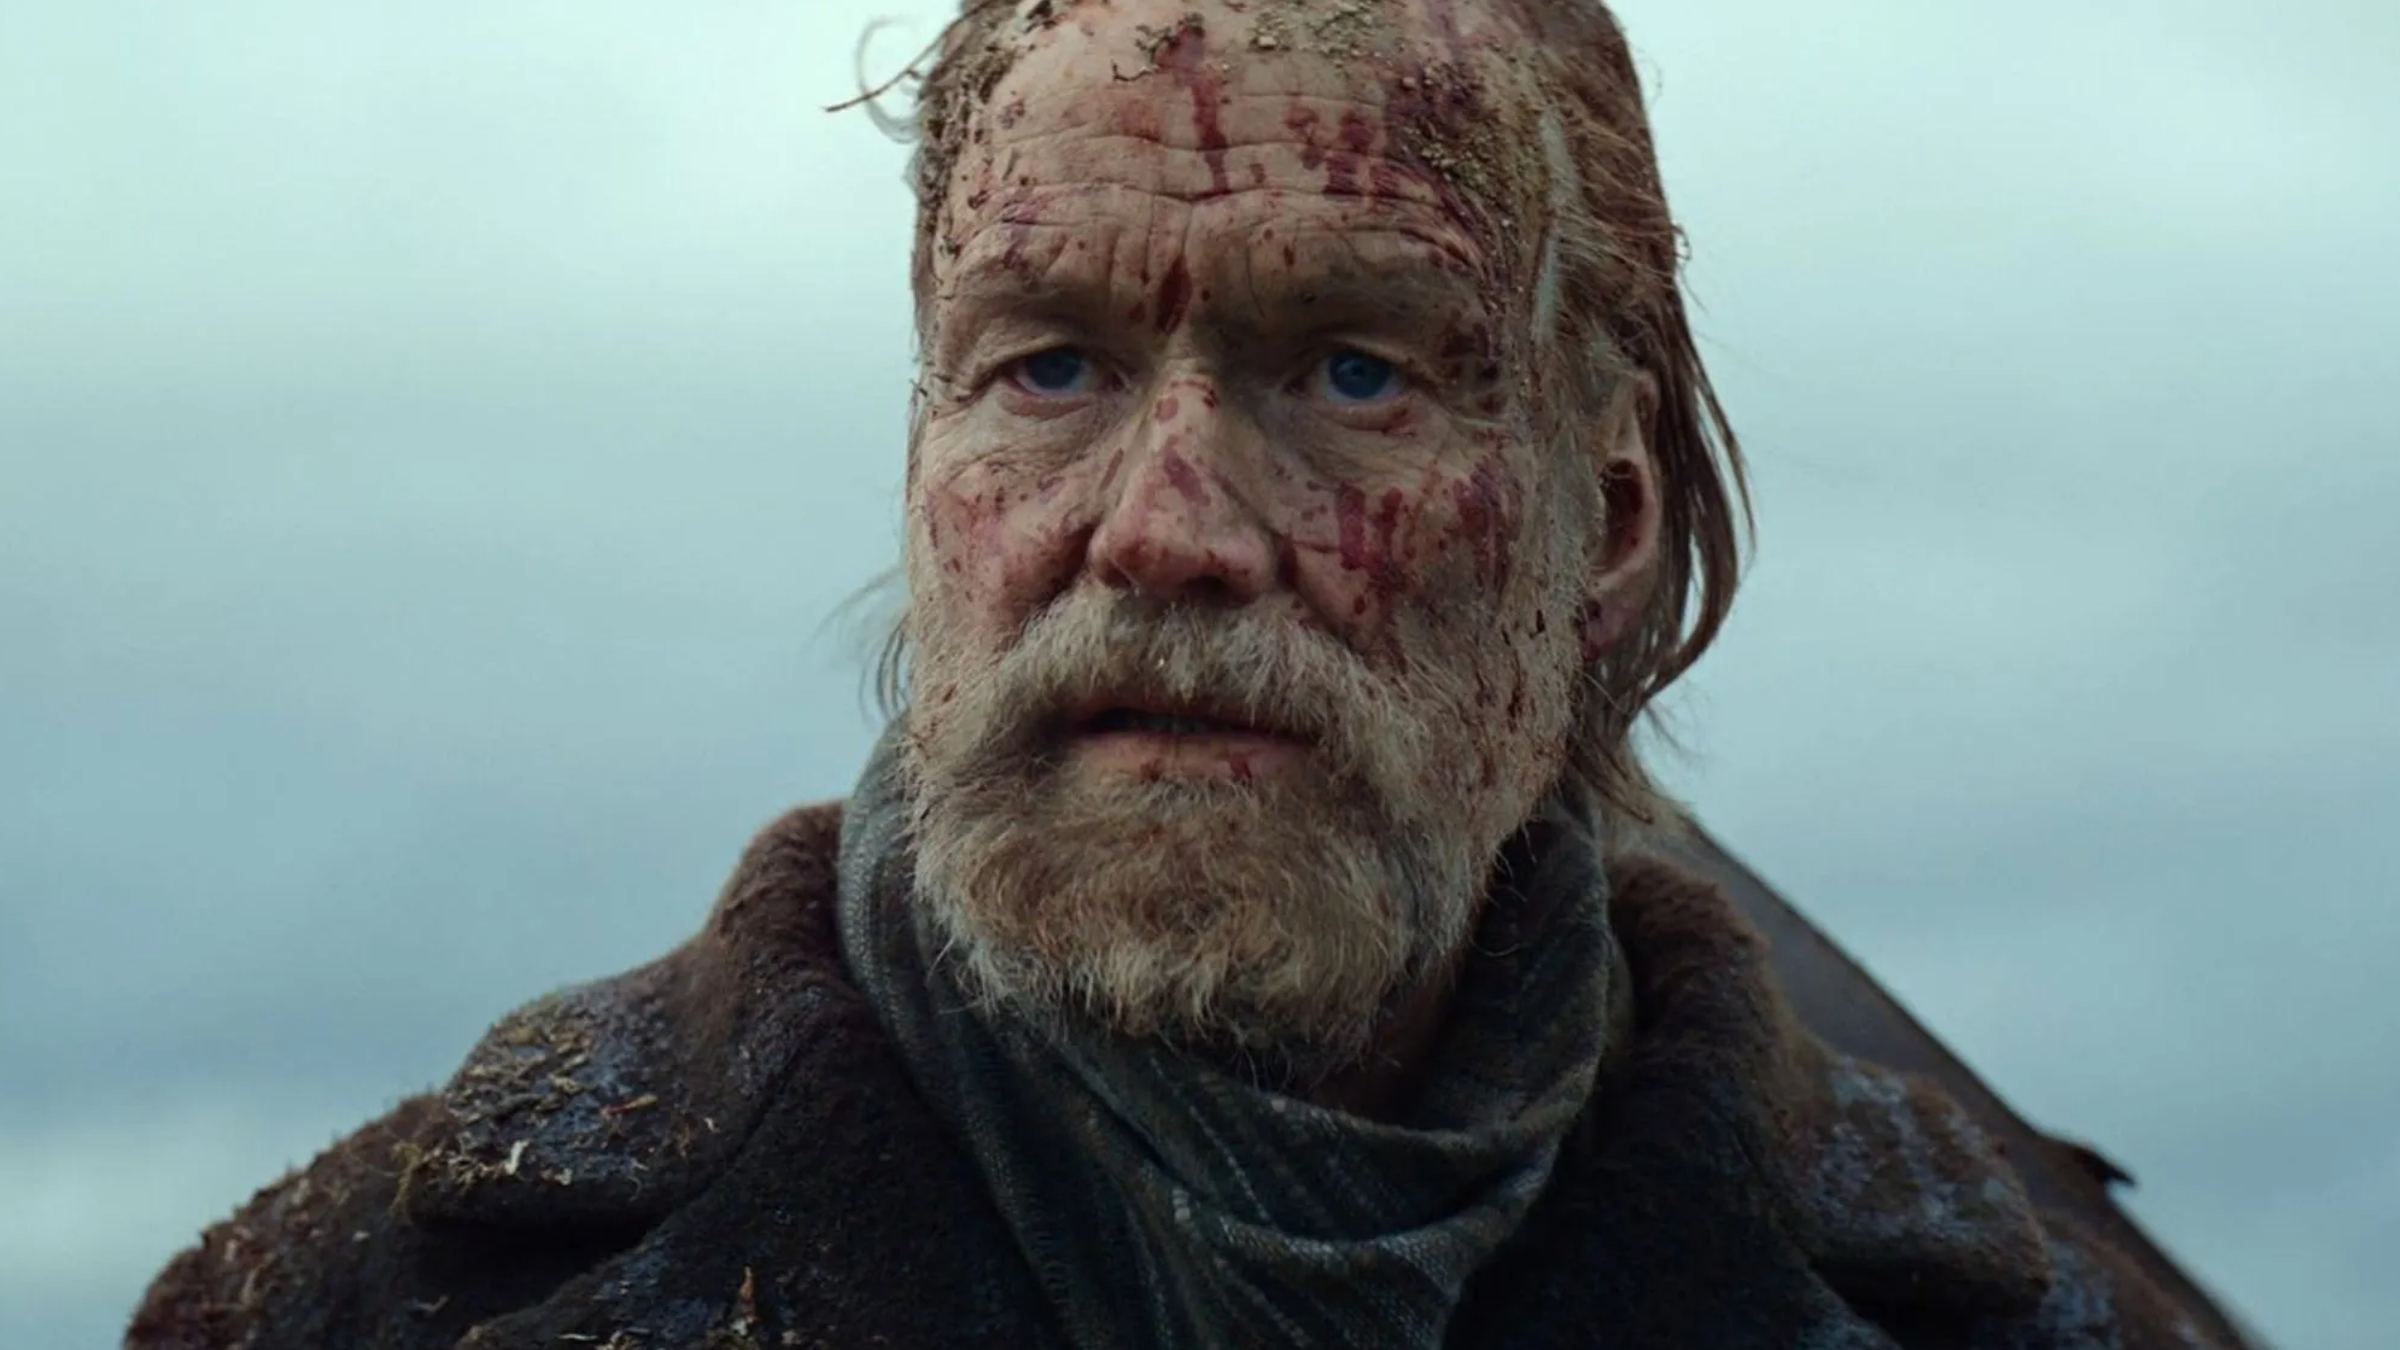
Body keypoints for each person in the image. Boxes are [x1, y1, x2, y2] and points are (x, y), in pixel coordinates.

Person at [128, 1, 2255, 1346]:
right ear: (925, 465)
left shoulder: (2012, 1318)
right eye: (1046, 364)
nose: (1164, 529)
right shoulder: (355, 1307)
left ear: (1600, 525)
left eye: (1353, 369)